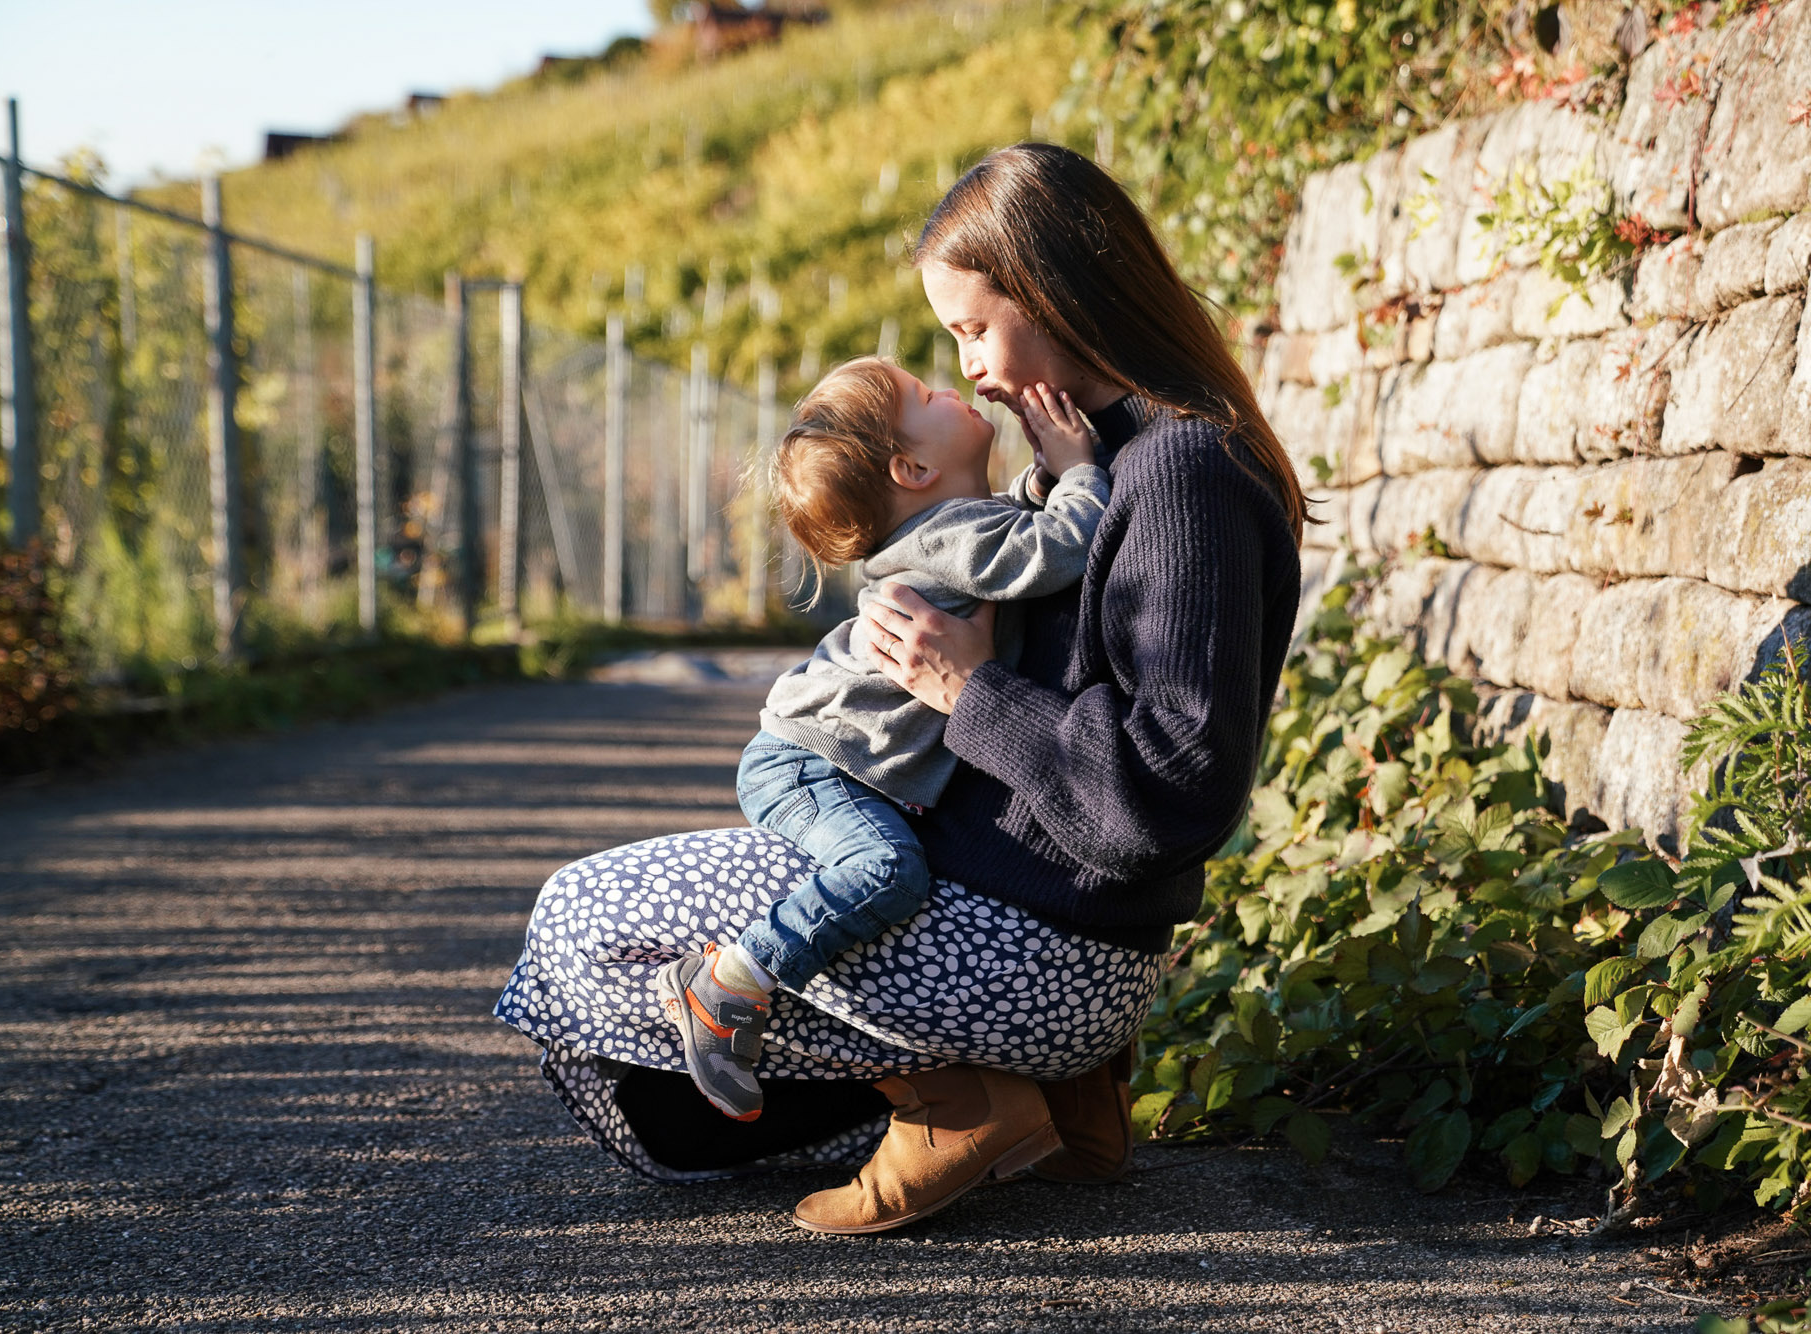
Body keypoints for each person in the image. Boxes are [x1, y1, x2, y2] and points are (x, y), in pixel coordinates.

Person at [494, 141, 1310, 1236]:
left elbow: (1169, 792)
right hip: (1035, 939)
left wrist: (959, 688)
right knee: (665, 1025)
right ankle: (1068, 1102)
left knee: (579, 923)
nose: (968, 368)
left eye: (972, 328)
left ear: (1054, 291)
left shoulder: (1181, 479)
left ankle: (962, 1098)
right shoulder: (1118, 468)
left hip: (1038, 954)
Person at [656, 355, 1111, 1124]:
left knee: (893, 868)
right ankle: (730, 984)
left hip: (826, 757)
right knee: (888, 871)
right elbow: (1051, 550)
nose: (949, 383)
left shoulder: (952, 528)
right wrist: (1079, 472)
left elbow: (1013, 527)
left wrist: (1039, 482)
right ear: (912, 465)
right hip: (808, 761)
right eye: (924, 395)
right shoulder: (949, 540)